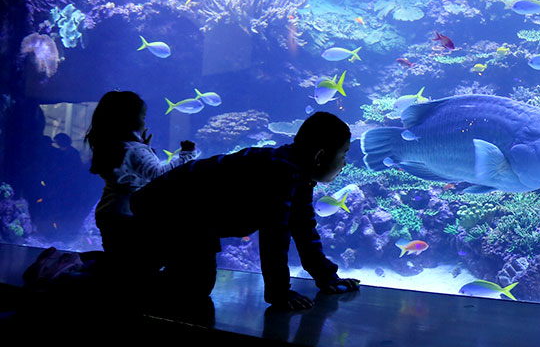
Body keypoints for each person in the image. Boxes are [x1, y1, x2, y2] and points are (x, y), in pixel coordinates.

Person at [129, 111, 360, 311]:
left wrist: (327, 277)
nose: (345, 163)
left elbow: (304, 229)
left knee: (185, 278)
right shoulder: (282, 174)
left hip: (188, 218)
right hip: (168, 210)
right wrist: (279, 294)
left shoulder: (296, 173)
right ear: (320, 156)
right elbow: (274, 238)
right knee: (194, 285)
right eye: (344, 154)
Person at [84, 90, 198, 259]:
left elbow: (132, 169)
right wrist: (186, 155)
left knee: (118, 261)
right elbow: (158, 175)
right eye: (143, 117)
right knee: (136, 265)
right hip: (130, 216)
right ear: (128, 119)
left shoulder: (111, 145)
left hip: (109, 211)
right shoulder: (135, 150)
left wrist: (144, 148)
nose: (145, 122)